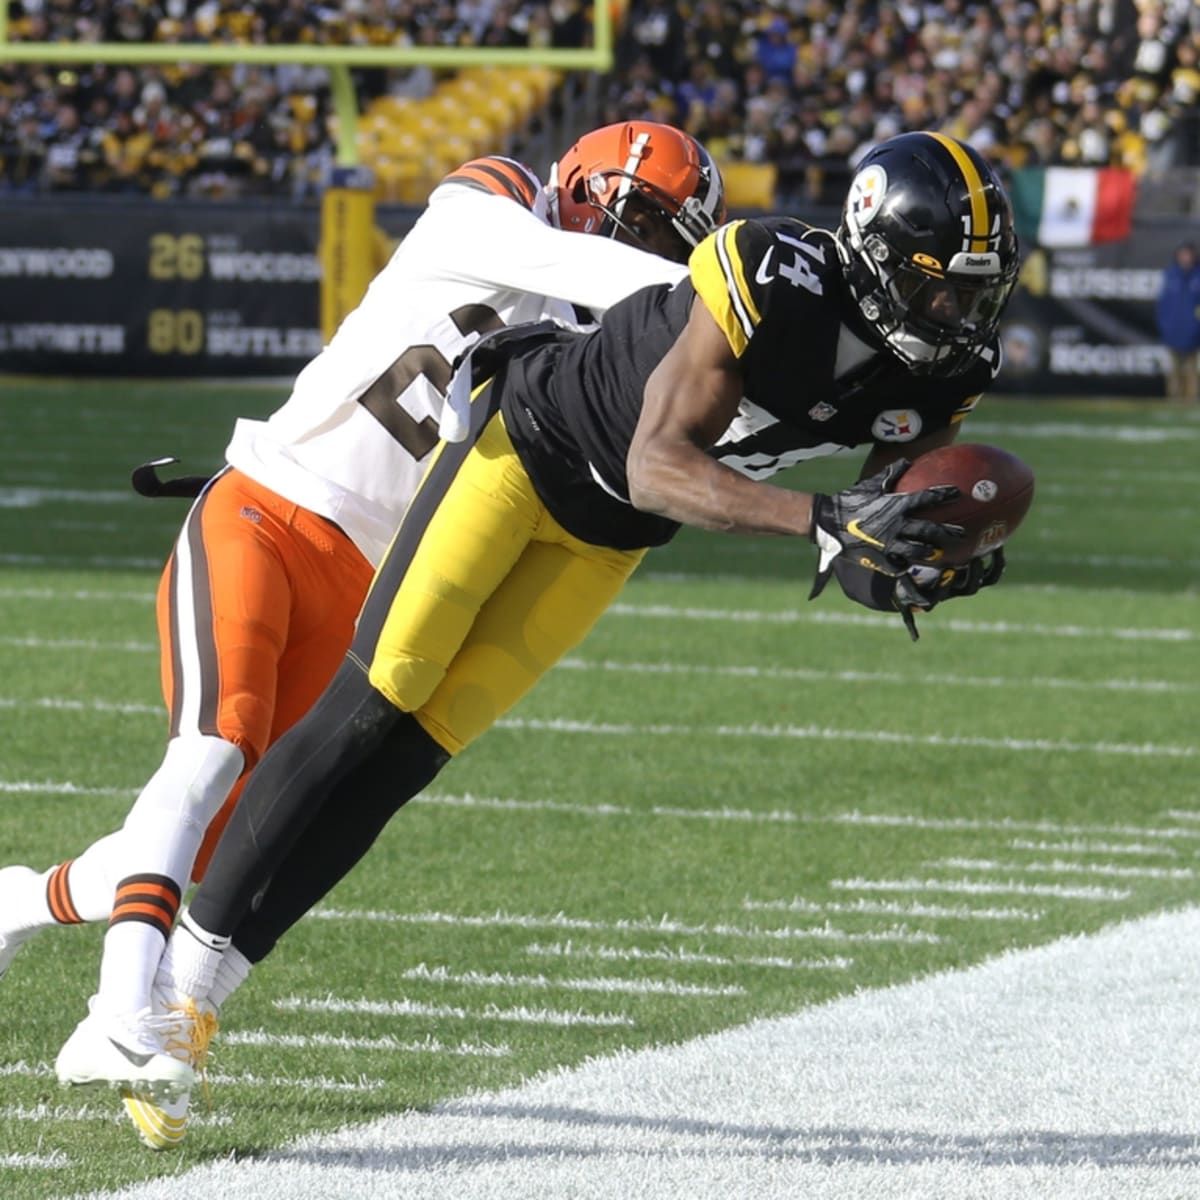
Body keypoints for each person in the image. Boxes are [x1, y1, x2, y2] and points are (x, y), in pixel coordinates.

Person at [152, 130, 1018, 1141]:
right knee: (374, 700)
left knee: (415, 757)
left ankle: (209, 987)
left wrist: (917, 562)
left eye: (979, 291)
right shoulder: (773, 276)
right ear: (873, 253)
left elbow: (869, 531)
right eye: (945, 287)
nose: (963, 314)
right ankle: (172, 984)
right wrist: (823, 522)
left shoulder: (944, 373)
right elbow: (661, 461)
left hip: (607, 537)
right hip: (523, 446)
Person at [0, 119, 727, 1147]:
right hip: (266, 506)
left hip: (371, 581)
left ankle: (22, 902)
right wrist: (711, 298)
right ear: (593, 183)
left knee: (226, 834)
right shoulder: (497, 204)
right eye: (648, 218)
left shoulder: (603, 321)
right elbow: (564, 259)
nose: (652, 244)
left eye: (672, 235)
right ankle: (120, 1014)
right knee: (212, 748)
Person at [1155, 241, 1200, 404]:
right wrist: (1165, 327)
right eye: (1182, 254)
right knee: (1173, 371)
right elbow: (1163, 305)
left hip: (1194, 333)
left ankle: (1192, 400)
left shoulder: (1198, 276)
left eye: (1188, 254)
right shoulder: (1170, 275)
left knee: (1191, 370)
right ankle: (1173, 400)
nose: (1185, 257)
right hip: (1172, 332)